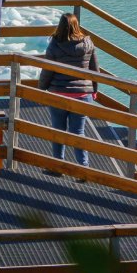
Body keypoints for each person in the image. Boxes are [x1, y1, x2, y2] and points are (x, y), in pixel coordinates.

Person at [37, 13, 99, 170]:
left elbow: (47, 72)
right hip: (83, 94)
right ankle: (83, 167)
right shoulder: (88, 43)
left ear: (60, 26)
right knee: (78, 132)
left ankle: (58, 166)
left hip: (59, 93)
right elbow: (95, 71)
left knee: (58, 131)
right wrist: (94, 90)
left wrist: (41, 89)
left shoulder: (55, 45)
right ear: (76, 25)